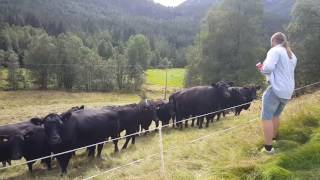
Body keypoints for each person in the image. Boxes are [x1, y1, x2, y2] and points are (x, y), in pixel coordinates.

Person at [256, 32, 297, 154]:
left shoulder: (275, 51)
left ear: (274, 41)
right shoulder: (292, 55)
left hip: (276, 89)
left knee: (266, 118)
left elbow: (268, 68)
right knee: (275, 115)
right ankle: (273, 138)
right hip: (288, 90)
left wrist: (261, 68)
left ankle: (268, 148)